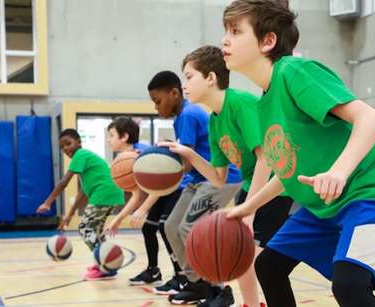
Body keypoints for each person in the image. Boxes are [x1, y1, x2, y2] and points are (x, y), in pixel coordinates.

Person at [221, 1, 375, 306]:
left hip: (373, 190)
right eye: (226, 31)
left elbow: (371, 119)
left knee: (349, 285)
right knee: (269, 267)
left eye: (235, 31)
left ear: (267, 40)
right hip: (326, 203)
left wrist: (338, 171)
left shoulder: (294, 72)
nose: (225, 40)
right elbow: (288, 175)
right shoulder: (263, 104)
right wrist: (247, 208)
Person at [160, 45, 291, 307]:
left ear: (210, 78)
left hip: (277, 185)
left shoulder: (240, 103)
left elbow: (266, 158)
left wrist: (250, 208)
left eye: (189, 76)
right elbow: (218, 177)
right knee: (243, 256)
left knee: (254, 258)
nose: (184, 85)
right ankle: (251, 304)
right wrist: (190, 154)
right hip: (250, 186)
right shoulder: (213, 121)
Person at [139, 70, 243, 304]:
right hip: (199, 179)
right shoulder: (181, 116)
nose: (156, 107)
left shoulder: (188, 114)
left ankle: (220, 289)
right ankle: (196, 283)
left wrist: (157, 161)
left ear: (174, 94)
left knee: (188, 228)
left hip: (221, 178)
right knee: (171, 226)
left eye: (158, 101)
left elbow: (184, 164)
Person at [102, 117, 184, 286]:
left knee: (165, 227)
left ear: (124, 136)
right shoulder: (127, 158)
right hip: (161, 193)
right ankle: (153, 271)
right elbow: (137, 195)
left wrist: (144, 208)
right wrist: (118, 220)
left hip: (175, 189)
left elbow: (160, 184)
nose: (108, 140)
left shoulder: (143, 152)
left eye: (111, 135)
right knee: (149, 228)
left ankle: (181, 275)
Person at [36, 129, 125, 280]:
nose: (65, 149)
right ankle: (106, 264)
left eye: (68, 144)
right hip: (109, 193)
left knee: (85, 228)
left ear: (79, 142)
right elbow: (82, 193)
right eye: (62, 146)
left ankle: (106, 265)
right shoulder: (84, 161)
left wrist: (47, 202)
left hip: (104, 193)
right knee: (94, 231)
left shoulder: (80, 155)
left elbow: (63, 183)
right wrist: (69, 216)